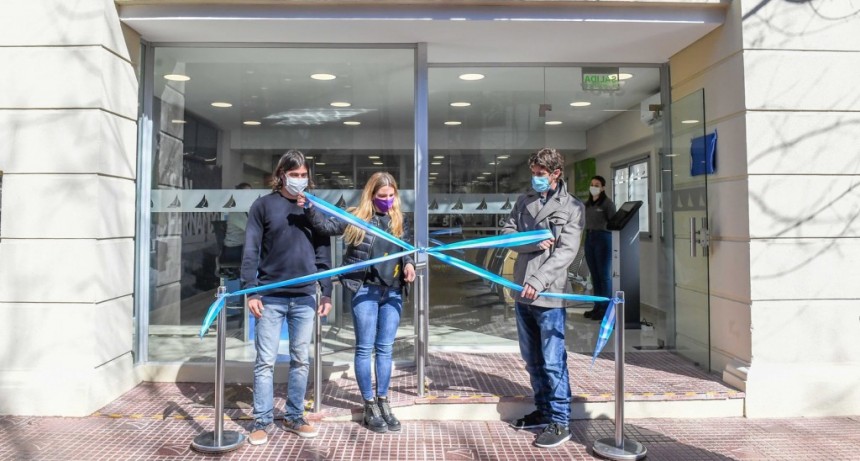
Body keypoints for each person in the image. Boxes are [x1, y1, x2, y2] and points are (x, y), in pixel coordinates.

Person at [309, 172, 416, 433]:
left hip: (392, 292)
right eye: (382, 197)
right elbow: (325, 227)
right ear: (371, 195)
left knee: (386, 349)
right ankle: (368, 404)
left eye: (391, 196)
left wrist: (410, 264)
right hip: (365, 291)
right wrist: (309, 206)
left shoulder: (401, 219)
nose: (388, 201)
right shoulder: (356, 217)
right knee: (364, 347)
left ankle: (383, 401)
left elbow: (409, 248)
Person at [241, 150, 333, 445]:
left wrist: (326, 290)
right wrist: (251, 290)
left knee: (300, 360)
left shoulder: (313, 207)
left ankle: (294, 416)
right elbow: (251, 250)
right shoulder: (263, 205)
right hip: (270, 297)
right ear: (281, 175)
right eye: (294, 175)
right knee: (265, 362)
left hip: (305, 297)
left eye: (304, 175)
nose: (299, 180)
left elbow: (323, 252)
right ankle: (262, 420)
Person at [502, 148, 584, 449]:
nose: (535, 179)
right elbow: (508, 234)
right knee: (532, 359)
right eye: (533, 173)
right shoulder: (523, 201)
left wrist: (538, 280)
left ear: (555, 174)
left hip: (549, 292)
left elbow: (566, 251)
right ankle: (544, 410)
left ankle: (561, 421)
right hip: (522, 292)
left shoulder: (573, 207)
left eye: (541, 174)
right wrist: (533, 241)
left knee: (552, 360)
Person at [582, 175, 616, 321]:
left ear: (602, 188)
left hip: (603, 238)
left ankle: (605, 309)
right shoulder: (587, 204)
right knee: (594, 275)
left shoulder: (607, 204)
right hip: (589, 238)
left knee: (604, 276)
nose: (594, 187)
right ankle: (597, 307)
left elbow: (614, 222)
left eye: (597, 185)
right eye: (592, 184)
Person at [222, 182, 251, 307]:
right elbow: (250, 229)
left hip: (240, 248)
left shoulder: (245, 210)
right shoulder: (237, 210)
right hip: (233, 250)